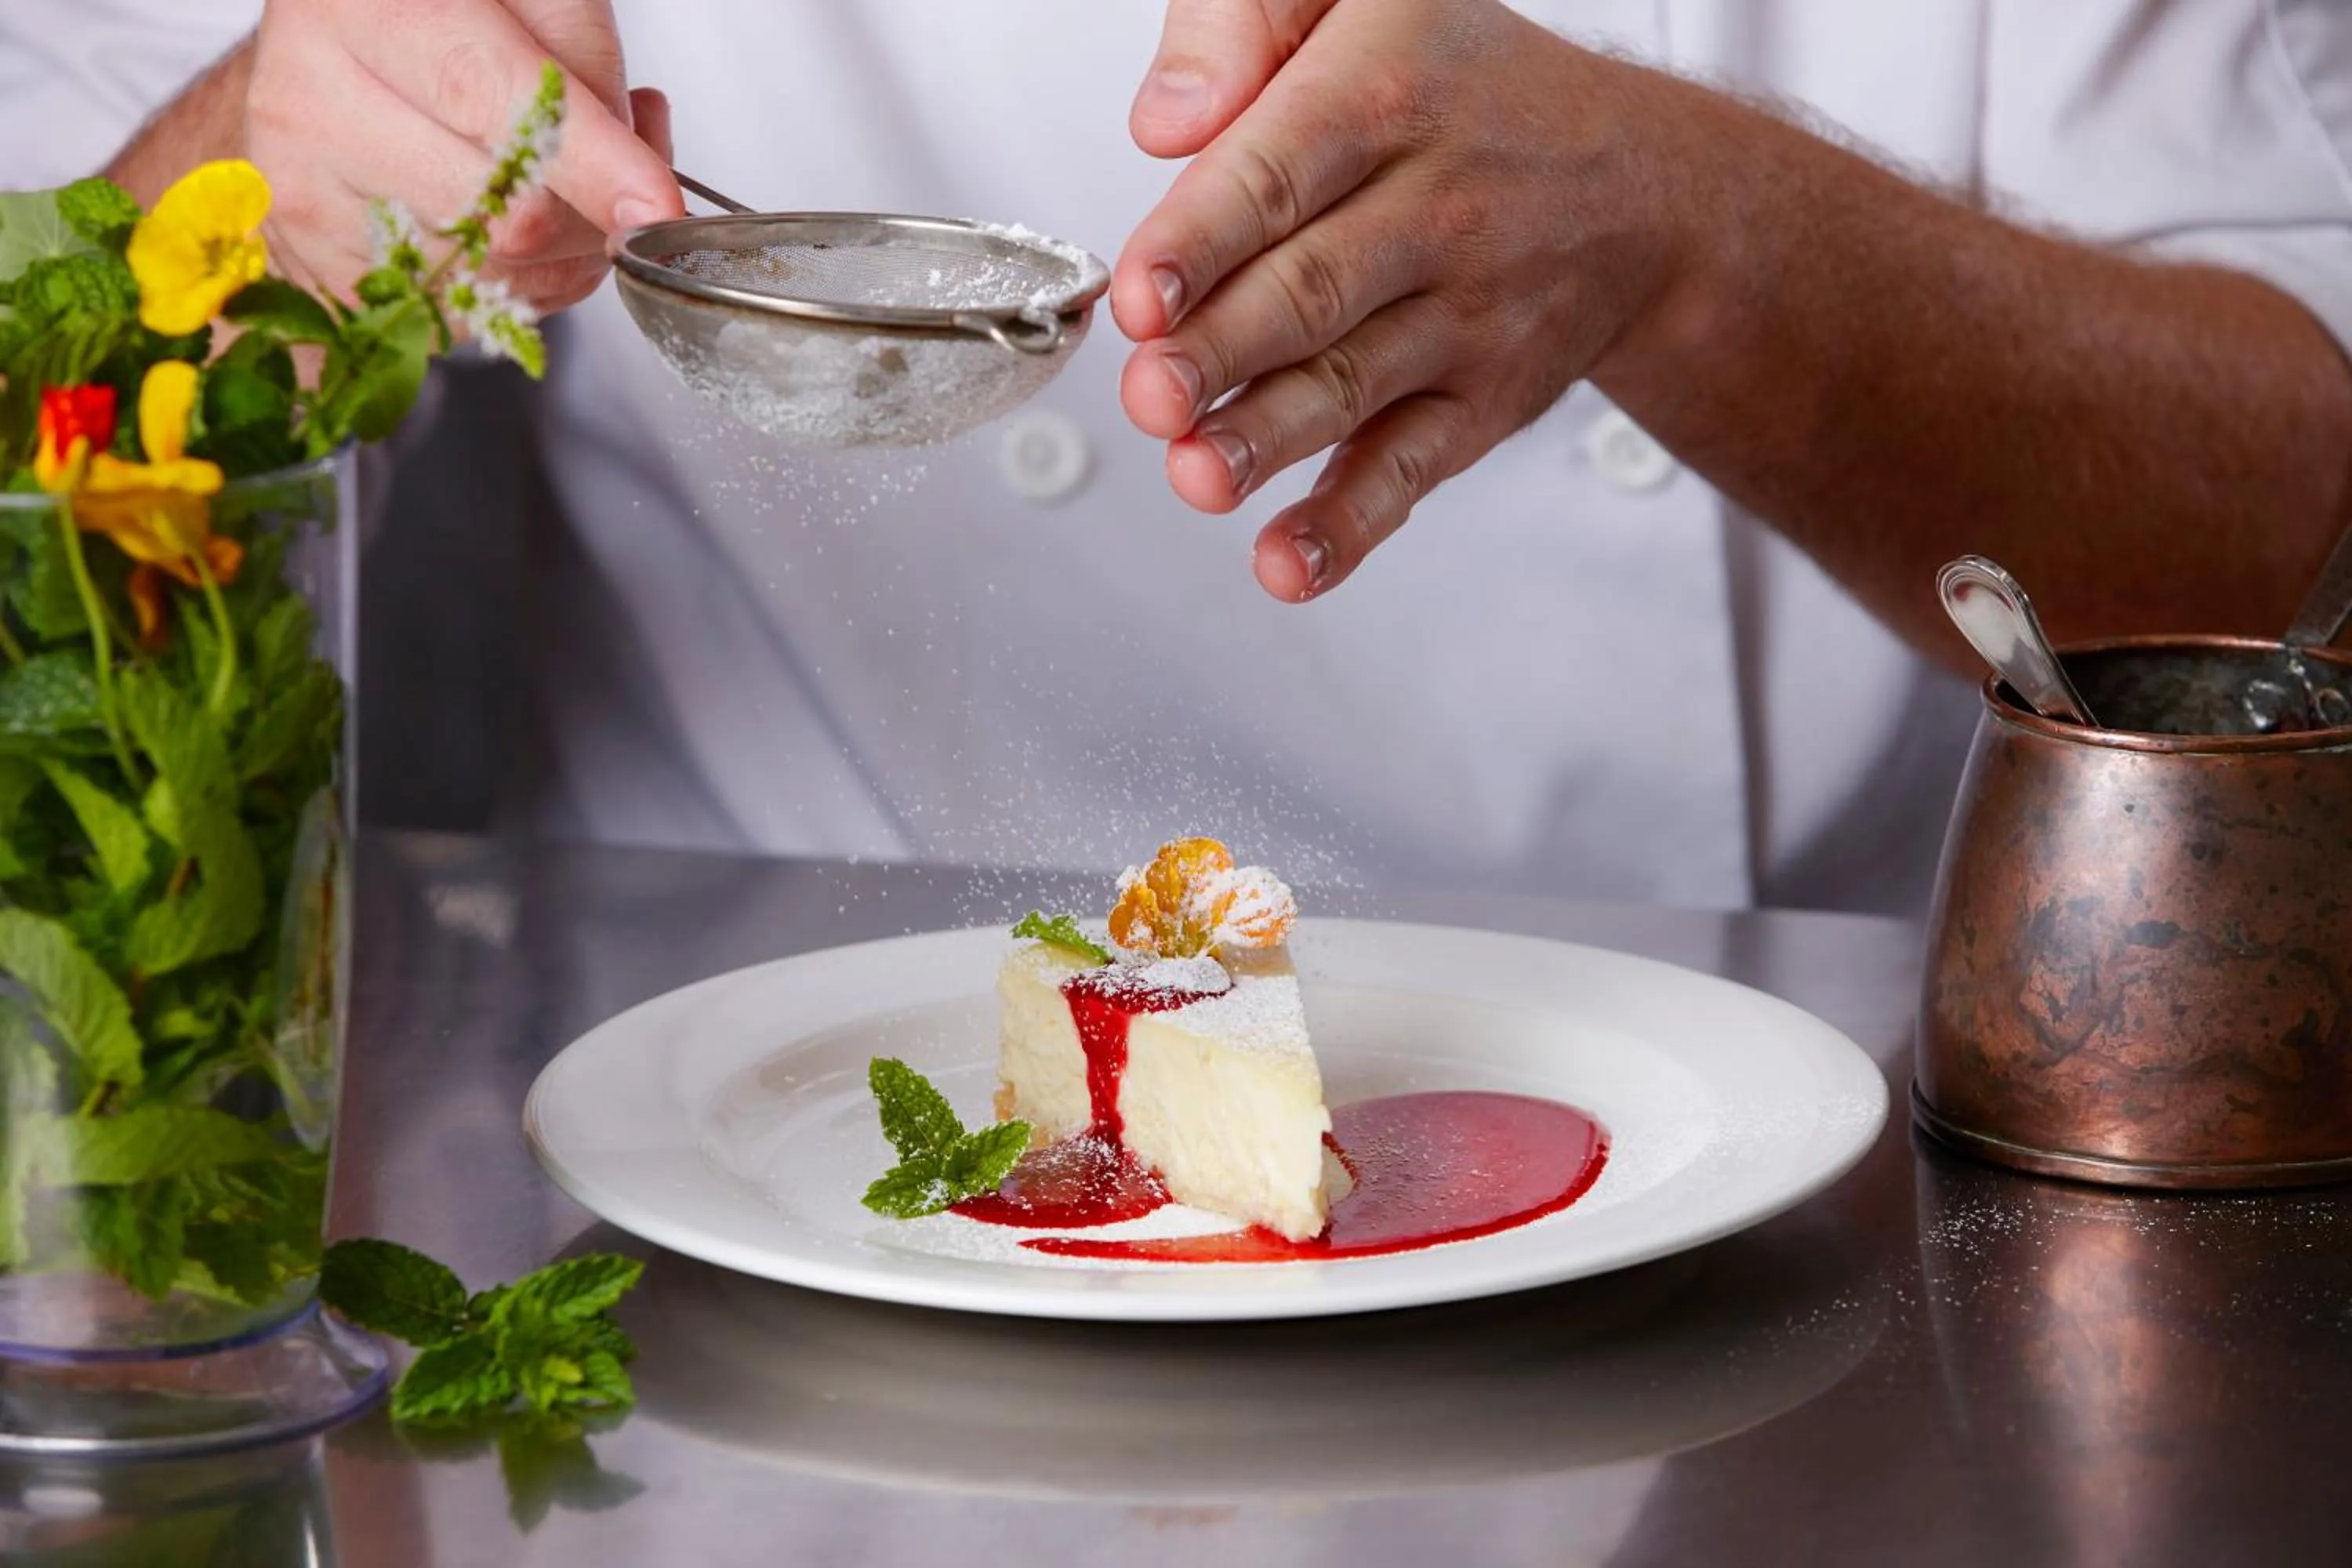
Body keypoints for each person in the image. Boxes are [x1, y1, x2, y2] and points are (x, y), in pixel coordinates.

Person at [5, 1, 2348, 916]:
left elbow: (2283, 531)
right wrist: (223, 197)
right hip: (758, 1199)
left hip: (1811, 1191)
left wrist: (1714, 241)